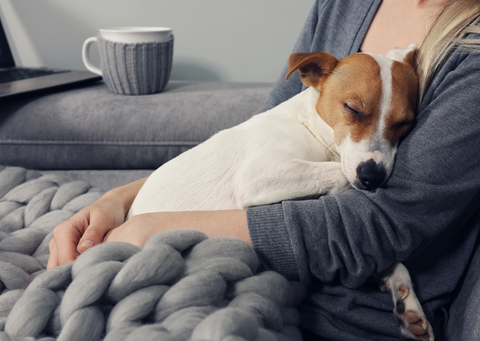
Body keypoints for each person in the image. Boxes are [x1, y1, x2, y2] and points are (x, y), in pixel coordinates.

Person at [48, 0, 480, 340]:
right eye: (353, 112)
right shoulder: (346, 4)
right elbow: (254, 140)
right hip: (203, 260)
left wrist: (156, 227)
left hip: (333, 314)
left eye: (400, 125)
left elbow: (377, 226)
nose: (375, 155)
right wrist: (119, 200)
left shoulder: (469, 52)